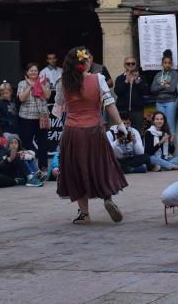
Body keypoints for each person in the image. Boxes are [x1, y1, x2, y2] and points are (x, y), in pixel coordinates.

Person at [53, 47, 129, 225]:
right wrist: (120, 125)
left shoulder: (63, 81)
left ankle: (84, 213)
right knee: (100, 165)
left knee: (76, 170)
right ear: (85, 62)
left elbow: (59, 103)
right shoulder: (98, 78)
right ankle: (107, 198)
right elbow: (110, 104)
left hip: (72, 131)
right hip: (94, 130)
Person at [17, 63, 52, 170]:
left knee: (43, 143)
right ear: (27, 72)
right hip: (26, 117)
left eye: (35, 70)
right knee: (27, 142)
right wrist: (29, 87)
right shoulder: (22, 83)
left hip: (42, 117)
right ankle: (29, 166)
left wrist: (40, 84)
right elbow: (21, 99)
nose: (33, 72)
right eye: (31, 70)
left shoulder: (44, 81)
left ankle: (43, 166)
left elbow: (47, 96)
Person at [151, 50, 178, 143]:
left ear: (171, 64)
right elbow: (152, 89)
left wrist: (159, 88)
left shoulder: (174, 74)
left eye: (169, 63)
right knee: (160, 125)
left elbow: (172, 89)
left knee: (170, 125)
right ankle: (163, 146)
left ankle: (171, 148)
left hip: (170, 102)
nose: (167, 65)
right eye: (165, 63)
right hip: (159, 102)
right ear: (162, 64)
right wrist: (164, 86)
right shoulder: (158, 75)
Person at [115, 57, 148, 132]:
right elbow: (118, 92)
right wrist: (126, 81)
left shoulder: (141, 78)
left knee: (137, 133)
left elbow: (145, 91)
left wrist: (137, 81)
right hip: (122, 110)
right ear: (124, 65)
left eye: (133, 63)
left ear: (136, 65)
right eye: (128, 63)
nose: (130, 65)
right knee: (122, 133)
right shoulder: (120, 78)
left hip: (137, 111)